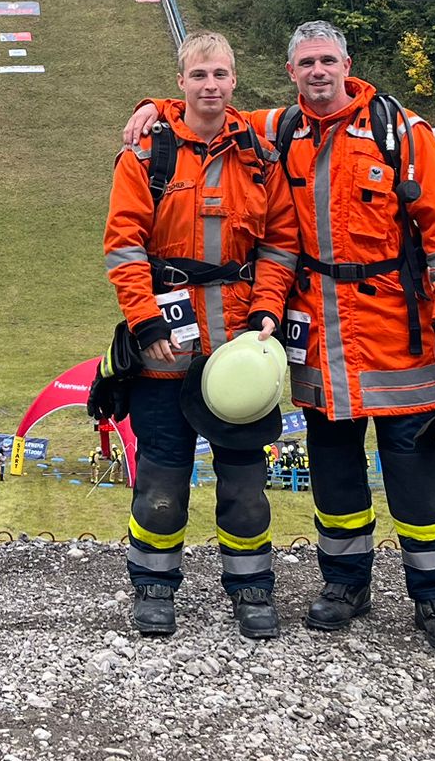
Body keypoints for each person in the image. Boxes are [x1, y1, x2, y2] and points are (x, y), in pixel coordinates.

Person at [124, 18, 435, 654]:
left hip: (401, 333)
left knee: (418, 473)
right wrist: (154, 107)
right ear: (290, 74)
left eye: (328, 61)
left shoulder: (403, 134)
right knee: (335, 474)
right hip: (321, 342)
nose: (318, 72)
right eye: (306, 63)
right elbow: (207, 109)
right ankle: (344, 586)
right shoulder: (277, 129)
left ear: (348, 64)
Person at [100, 32, 300, 640]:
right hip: (166, 352)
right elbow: (123, 246)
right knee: (161, 479)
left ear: (234, 80)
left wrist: (267, 311)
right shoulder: (145, 157)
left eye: (220, 75)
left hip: (239, 352)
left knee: (245, 485)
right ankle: (154, 588)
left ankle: (253, 590)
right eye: (198, 76)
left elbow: (281, 243)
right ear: (180, 82)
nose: (210, 86)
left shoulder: (261, 156)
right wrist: (145, 321)